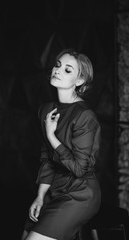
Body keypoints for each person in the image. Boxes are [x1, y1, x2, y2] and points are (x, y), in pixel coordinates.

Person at [21, 48, 101, 240]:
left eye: (67, 70)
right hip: (53, 190)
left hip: (80, 193)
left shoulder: (84, 116)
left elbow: (80, 168)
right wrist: (40, 196)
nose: (58, 70)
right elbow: (47, 158)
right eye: (58, 65)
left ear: (79, 81)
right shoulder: (46, 110)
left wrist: (52, 135)